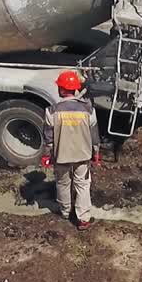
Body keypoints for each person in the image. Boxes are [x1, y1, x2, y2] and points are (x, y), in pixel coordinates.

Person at [41, 70, 101, 230]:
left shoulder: (52, 111)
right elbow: (94, 135)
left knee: (62, 183)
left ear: (61, 89)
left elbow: (48, 137)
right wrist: (95, 152)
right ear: (75, 89)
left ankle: (66, 212)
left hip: (61, 155)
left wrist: (47, 156)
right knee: (82, 185)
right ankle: (83, 219)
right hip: (83, 155)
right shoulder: (89, 110)